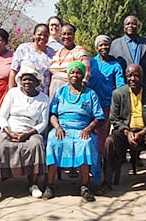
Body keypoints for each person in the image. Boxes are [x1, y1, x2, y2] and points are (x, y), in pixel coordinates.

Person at [0, 65, 50, 205]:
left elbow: (43, 122)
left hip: (30, 131)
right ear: (20, 81)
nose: (27, 82)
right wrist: (9, 131)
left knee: (37, 144)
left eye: (31, 80)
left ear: (37, 82)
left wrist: (28, 133)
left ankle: (33, 184)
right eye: (25, 79)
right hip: (9, 129)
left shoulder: (43, 99)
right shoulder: (12, 93)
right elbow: (2, 116)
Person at [104, 64, 146, 199]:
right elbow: (114, 118)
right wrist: (127, 132)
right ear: (126, 77)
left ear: (142, 77)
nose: (133, 78)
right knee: (109, 141)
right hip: (125, 131)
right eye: (129, 76)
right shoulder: (118, 93)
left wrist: (142, 132)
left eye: (136, 75)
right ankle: (107, 182)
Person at [44, 61, 104, 202]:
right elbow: (52, 114)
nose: (75, 75)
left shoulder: (90, 94)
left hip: (82, 128)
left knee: (85, 143)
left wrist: (88, 129)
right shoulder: (61, 92)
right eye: (72, 72)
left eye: (78, 72)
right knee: (53, 141)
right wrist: (57, 127)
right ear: (68, 75)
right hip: (62, 128)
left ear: (83, 75)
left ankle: (85, 185)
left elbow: (99, 116)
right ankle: (50, 185)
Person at [89, 35, 126, 154]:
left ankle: (103, 160)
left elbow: (120, 86)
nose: (104, 47)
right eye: (101, 45)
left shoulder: (115, 65)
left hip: (107, 104)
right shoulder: (91, 62)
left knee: (104, 134)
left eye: (106, 44)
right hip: (91, 105)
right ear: (96, 48)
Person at [9, 23, 55, 94]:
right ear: (34, 35)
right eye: (39, 34)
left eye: (45, 35)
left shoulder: (52, 53)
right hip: (23, 94)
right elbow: (13, 71)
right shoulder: (23, 48)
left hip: (43, 96)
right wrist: (11, 93)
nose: (42, 37)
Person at [49, 23, 90, 99]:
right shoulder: (57, 52)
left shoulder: (79, 51)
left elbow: (86, 73)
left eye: (69, 34)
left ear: (74, 35)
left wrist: (79, 91)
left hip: (70, 90)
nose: (66, 37)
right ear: (60, 36)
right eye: (64, 34)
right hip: (53, 90)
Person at [110, 15, 146, 86]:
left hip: (143, 85)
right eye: (128, 24)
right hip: (123, 86)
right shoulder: (115, 44)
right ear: (124, 27)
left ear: (138, 27)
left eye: (134, 24)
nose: (130, 26)